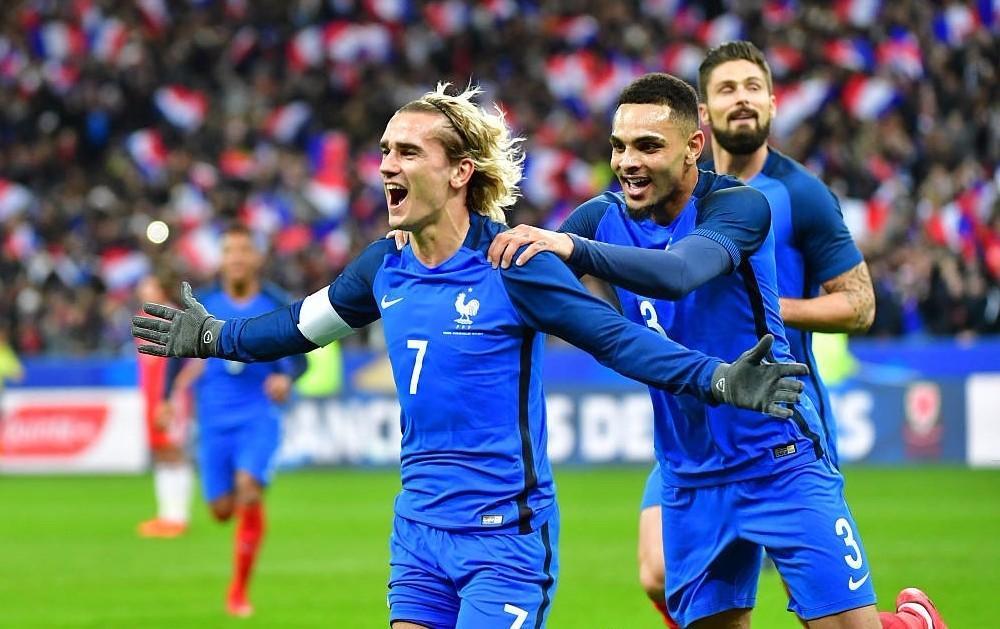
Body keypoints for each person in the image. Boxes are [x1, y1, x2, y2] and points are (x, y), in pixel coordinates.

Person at [133, 84, 808, 629]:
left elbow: (615, 338)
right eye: (384, 151)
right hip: (418, 533)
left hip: (505, 540)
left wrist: (717, 377)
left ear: (460, 172)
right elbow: (298, 327)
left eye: (407, 152)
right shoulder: (383, 266)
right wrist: (214, 337)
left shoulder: (513, 263)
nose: (386, 166)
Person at [487, 72, 945, 628]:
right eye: (619, 146)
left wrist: (573, 247)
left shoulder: (738, 206)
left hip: (778, 456)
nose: (628, 162)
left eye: (648, 146)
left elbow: (679, 273)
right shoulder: (601, 218)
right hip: (689, 474)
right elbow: (529, 285)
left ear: (693, 147)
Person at [159, 224, 307, 617]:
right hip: (213, 419)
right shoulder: (202, 304)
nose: (237, 258)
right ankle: (239, 520)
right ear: (221, 259)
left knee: (249, 490)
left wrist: (286, 378)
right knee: (222, 510)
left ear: (256, 257)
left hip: (259, 414)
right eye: (229, 251)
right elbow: (176, 354)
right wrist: (166, 399)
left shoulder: (277, 303)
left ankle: (239, 591)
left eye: (244, 250)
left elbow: (301, 360)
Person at [135, 271, 194, 539]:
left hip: (171, 397)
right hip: (150, 396)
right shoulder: (143, 318)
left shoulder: (175, 319)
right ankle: (165, 515)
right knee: (159, 451)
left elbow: (198, 360)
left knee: (173, 451)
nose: (143, 289)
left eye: (148, 285)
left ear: (161, 289)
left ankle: (179, 517)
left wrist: (177, 388)